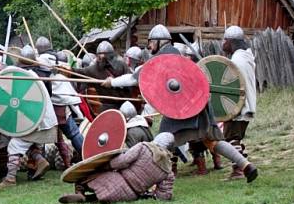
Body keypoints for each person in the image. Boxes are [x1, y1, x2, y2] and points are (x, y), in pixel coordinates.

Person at [104, 24, 258, 183]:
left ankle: (145, 179)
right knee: (212, 141)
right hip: (201, 105)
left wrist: (112, 82)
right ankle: (246, 165)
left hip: (181, 108)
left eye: (151, 42)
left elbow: (134, 78)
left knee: (161, 142)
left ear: (159, 42)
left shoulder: (160, 59)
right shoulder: (178, 55)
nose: (149, 46)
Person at [0, 46, 57, 188]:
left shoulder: (26, 77)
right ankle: (40, 160)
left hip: (37, 122)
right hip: (45, 121)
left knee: (14, 145)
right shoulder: (32, 76)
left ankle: (10, 179)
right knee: (28, 143)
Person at [59, 132, 176, 204]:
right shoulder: (168, 171)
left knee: (85, 177)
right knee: (109, 195)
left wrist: (105, 166)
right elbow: (164, 196)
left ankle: (80, 193)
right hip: (132, 195)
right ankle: (90, 199)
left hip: (118, 181)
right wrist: (151, 195)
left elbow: (122, 161)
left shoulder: (143, 148)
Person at [222, 26, 258, 180]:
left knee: (231, 138)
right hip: (244, 104)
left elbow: (232, 85)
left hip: (238, 106)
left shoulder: (237, 60)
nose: (223, 44)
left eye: (225, 41)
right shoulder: (245, 56)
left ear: (231, 42)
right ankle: (241, 167)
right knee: (234, 138)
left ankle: (238, 170)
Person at [77, 41, 132, 113]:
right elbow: (81, 77)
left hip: (123, 104)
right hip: (106, 104)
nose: (101, 57)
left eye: (104, 55)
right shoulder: (94, 68)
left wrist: (116, 83)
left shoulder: (120, 65)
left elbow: (129, 82)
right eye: (99, 55)